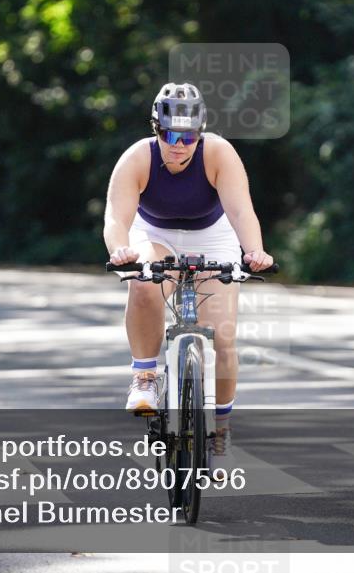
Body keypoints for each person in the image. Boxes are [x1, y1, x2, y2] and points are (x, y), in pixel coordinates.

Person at [103, 82, 274, 475]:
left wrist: (254, 251)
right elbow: (116, 219)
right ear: (156, 130)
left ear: (200, 132)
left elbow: (242, 212)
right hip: (154, 234)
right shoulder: (137, 159)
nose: (179, 144)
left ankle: (221, 431)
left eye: (188, 136)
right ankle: (144, 377)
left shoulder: (218, 153)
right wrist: (120, 250)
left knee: (224, 335)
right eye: (169, 135)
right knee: (144, 283)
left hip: (213, 235)